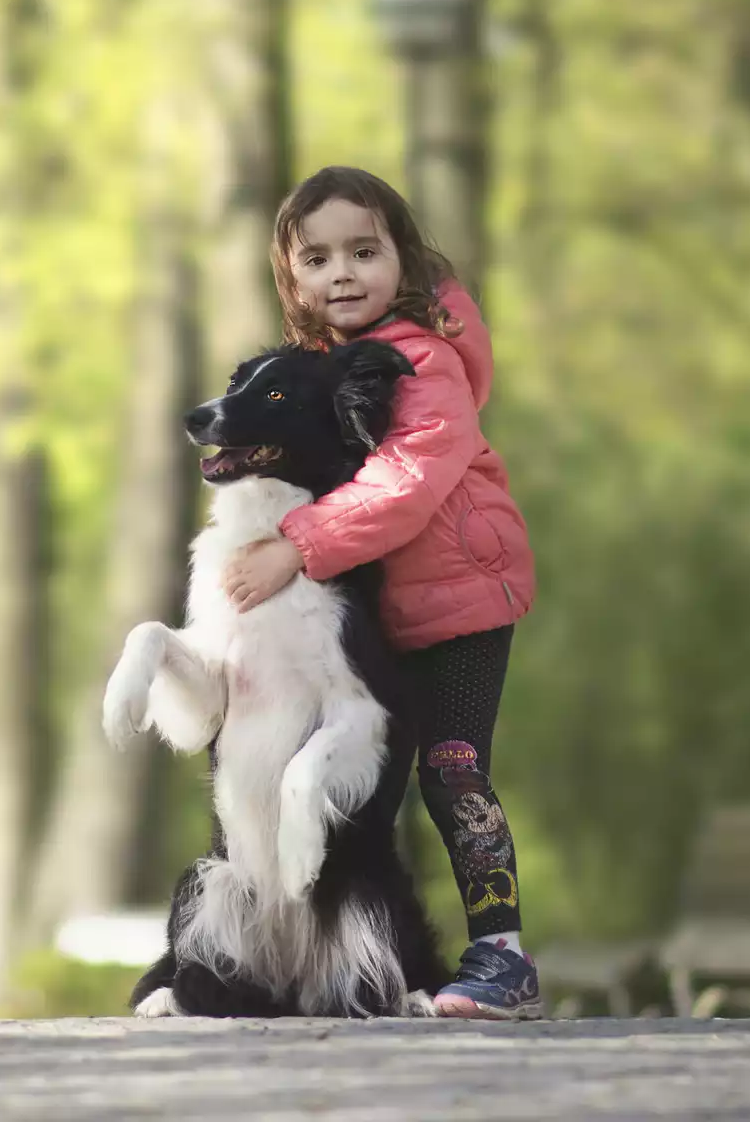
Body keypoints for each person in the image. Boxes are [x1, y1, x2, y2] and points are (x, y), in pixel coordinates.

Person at [222, 165, 541, 1020]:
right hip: (380, 610)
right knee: (363, 785)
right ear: (292, 277)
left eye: (364, 252)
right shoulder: (321, 367)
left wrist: (297, 547)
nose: (343, 275)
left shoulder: (423, 362)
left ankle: (503, 956)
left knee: (452, 768)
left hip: (462, 598)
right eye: (318, 260)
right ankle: (347, 958)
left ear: (403, 256)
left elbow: (406, 481)